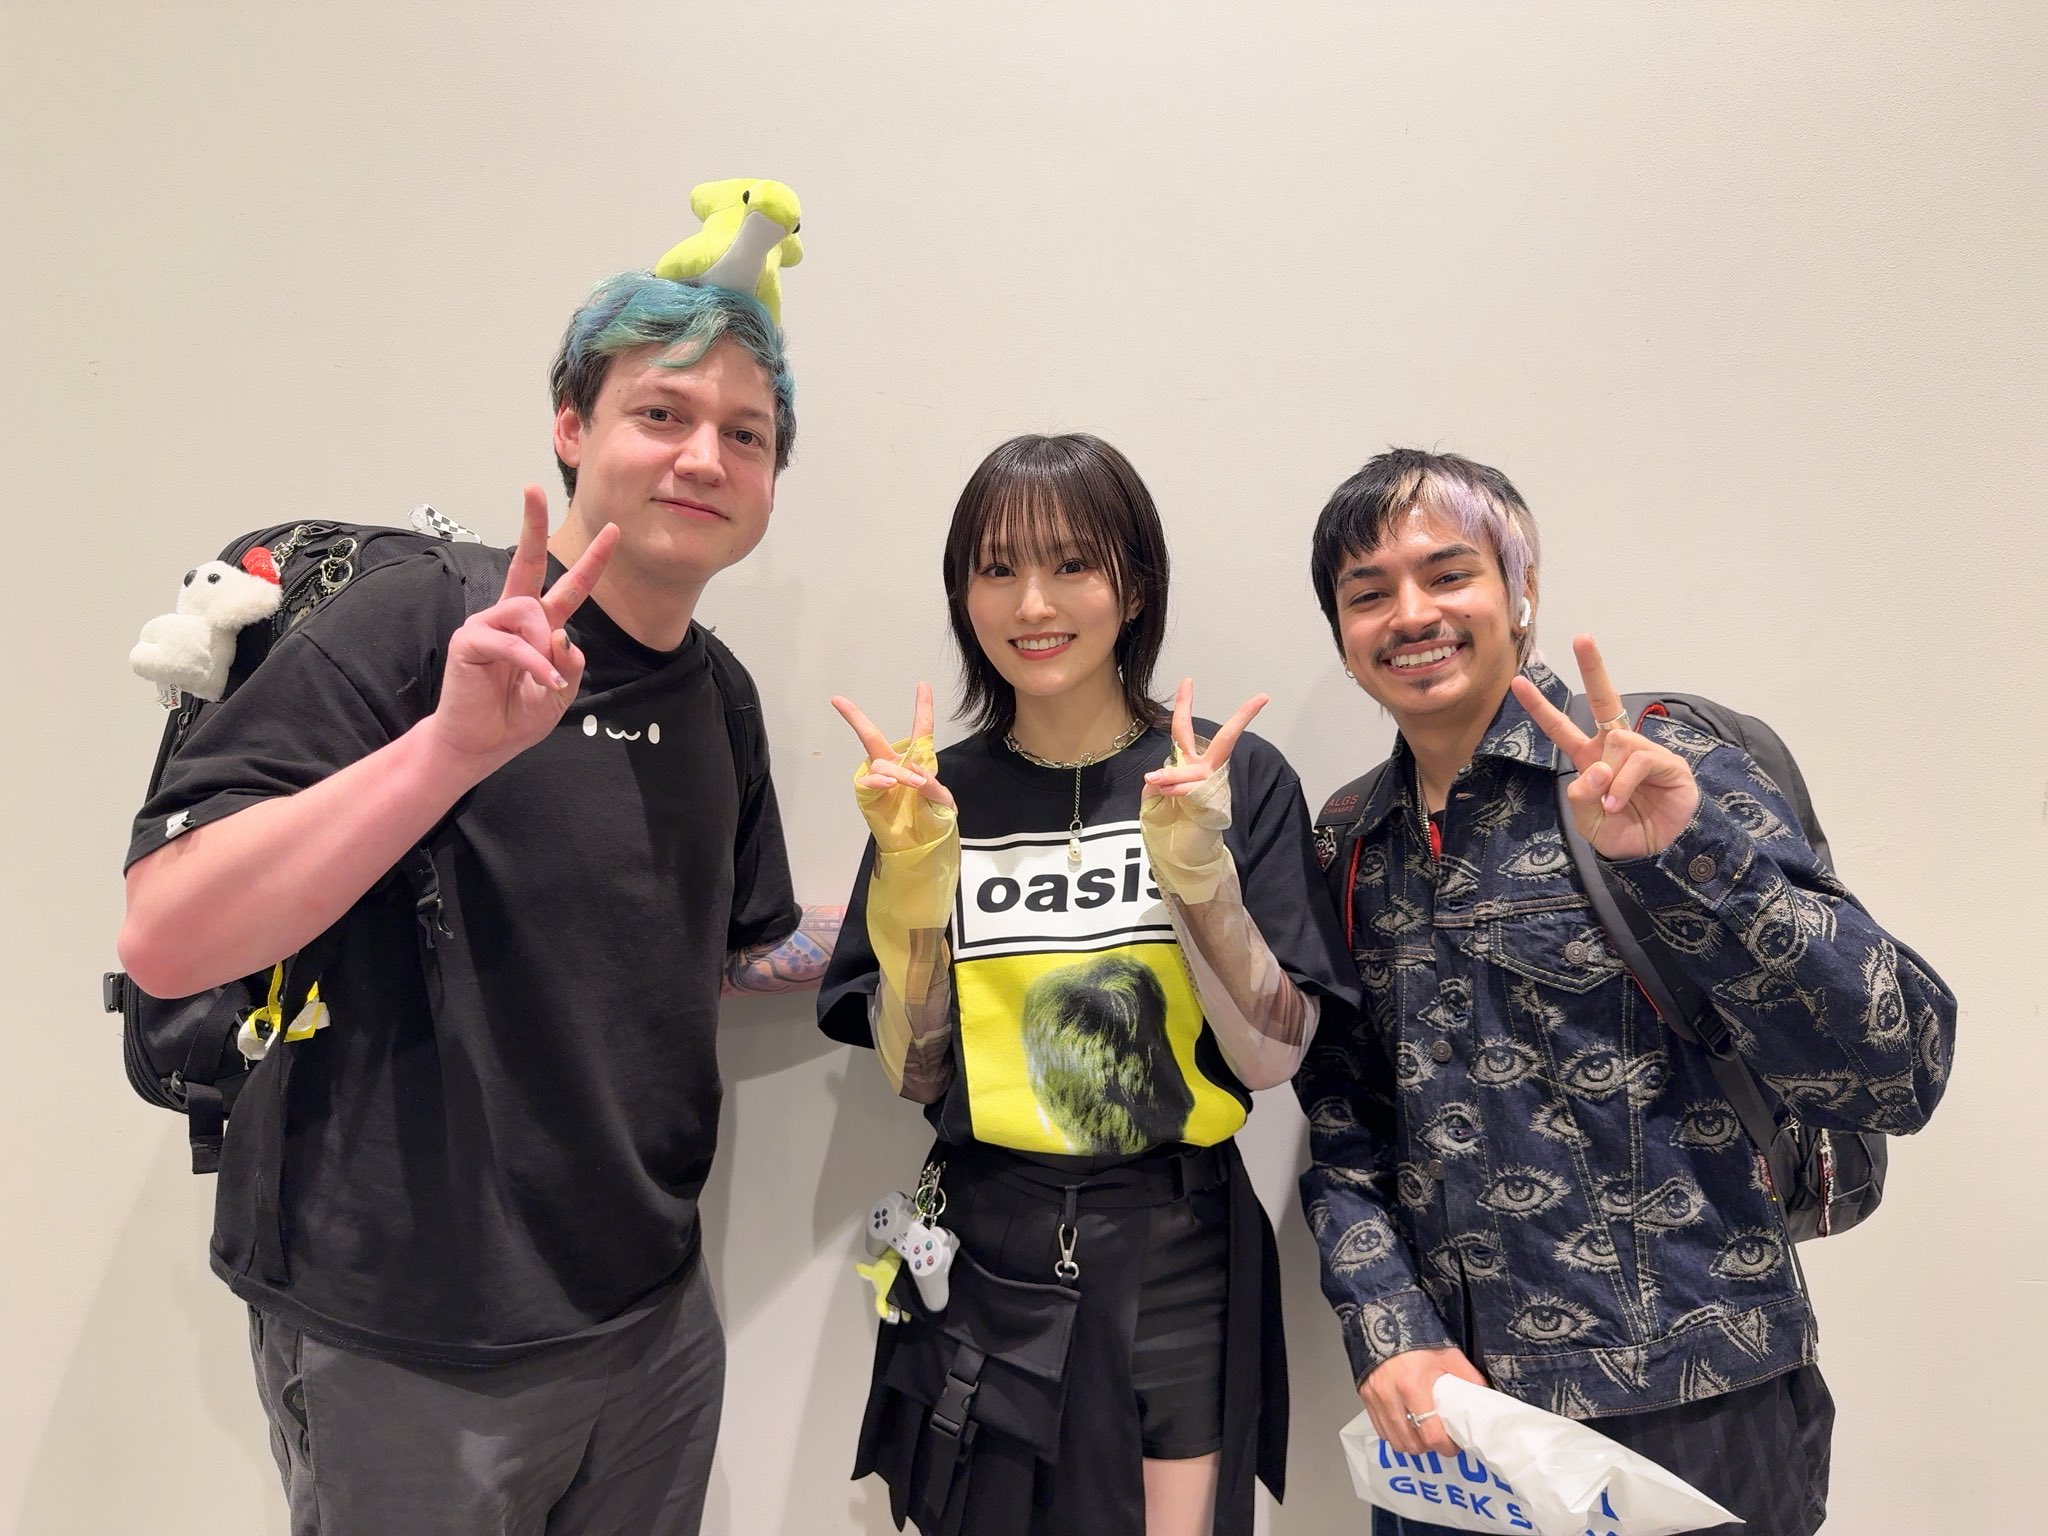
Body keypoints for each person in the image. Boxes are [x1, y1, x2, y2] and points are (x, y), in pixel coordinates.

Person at [117, 271, 839, 1535]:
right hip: (405, 1342)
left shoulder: (718, 696)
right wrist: (449, 749)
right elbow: (166, 938)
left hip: (651, 1320)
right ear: (570, 425)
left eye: (745, 433)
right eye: (660, 414)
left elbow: (725, 951)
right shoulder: (415, 625)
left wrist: (940, 915)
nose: (704, 458)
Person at [1294, 448, 1958, 1536]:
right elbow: (1343, 1118)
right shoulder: (1348, 838)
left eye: (1448, 574)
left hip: (1699, 1405)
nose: (1410, 615)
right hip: (1457, 1431)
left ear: (1521, 591)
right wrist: (1388, 1327)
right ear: (1342, 635)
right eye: (1369, 593)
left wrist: (1692, 855)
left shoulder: (1656, 761)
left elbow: (1899, 1071)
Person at [816, 433, 1357, 1536]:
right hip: (983, 1238)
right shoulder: (930, 795)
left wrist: (1197, 875)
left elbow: (1269, 1058)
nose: (1033, 602)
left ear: (1135, 585)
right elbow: (918, 1073)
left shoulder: (1226, 780)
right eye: (997, 568)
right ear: (964, 594)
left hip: (1176, 1242)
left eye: (1071, 564)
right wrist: (913, 880)